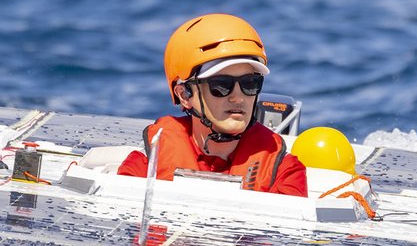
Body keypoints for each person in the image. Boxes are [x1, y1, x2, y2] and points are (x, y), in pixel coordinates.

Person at [118, 13, 308, 196]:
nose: (238, 97)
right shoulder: (144, 165)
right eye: (221, 85)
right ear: (184, 94)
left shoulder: (284, 172)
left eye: (250, 83)